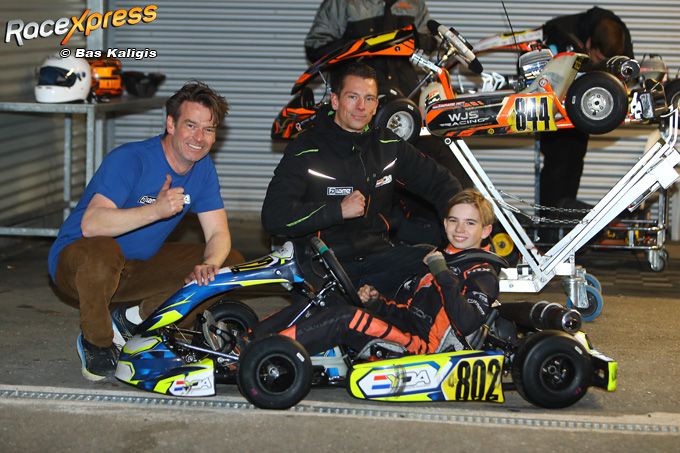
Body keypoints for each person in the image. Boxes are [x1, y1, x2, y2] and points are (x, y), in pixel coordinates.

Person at [48, 81, 244, 381]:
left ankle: (135, 320)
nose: (199, 138)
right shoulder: (131, 158)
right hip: (79, 268)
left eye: (208, 129)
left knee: (229, 262)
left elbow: (218, 234)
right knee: (103, 249)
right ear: (171, 124)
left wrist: (210, 264)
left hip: (135, 269)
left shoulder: (203, 169)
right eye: (191, 125)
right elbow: (91, 224)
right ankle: (97, 342)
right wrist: (155, 210)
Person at [261, 62, 461, 298]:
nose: (361, 107)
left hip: (378, 257)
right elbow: (274, 216)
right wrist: (337, 210)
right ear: (335, 101)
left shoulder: (388, 145)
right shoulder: (306, 149)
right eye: (352, 97)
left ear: (376, 106)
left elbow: (441, 183)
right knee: (348, 317)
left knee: (440, 268)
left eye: (369, 99)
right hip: (323, 263)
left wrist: (461, 221)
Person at [304, 0, 474, 246]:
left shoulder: (413, 3)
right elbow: (315, 47)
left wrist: (418, 40)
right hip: (362, 107)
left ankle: (463, 229)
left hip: (405, 102)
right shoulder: (342, 3)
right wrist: (364, 45)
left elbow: (429, 41)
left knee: (440, 159)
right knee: (376, 174)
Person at [256, 188, 500, 356]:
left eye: (470, 223)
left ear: (486, 230)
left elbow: (466, 323)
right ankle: (251, 339)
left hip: (426, 351)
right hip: (407, 332)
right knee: (326, 299)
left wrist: (441, 272)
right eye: (454, 220)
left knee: (346, 318)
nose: (460, 229)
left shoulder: (481, 273)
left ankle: (265, 352)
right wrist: (377, 303)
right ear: (445, 223)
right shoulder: (439, 259)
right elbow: (409, 313)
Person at [539, 7, 634, 210]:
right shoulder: (560, 32)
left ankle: (566, 218)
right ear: (589, 43)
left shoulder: (622, 40)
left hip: (583, 108)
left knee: (575, 161)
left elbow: (628, 78)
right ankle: (548, 221)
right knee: (557, 161)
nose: (601, 66)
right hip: (556, 108)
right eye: (598, 59)